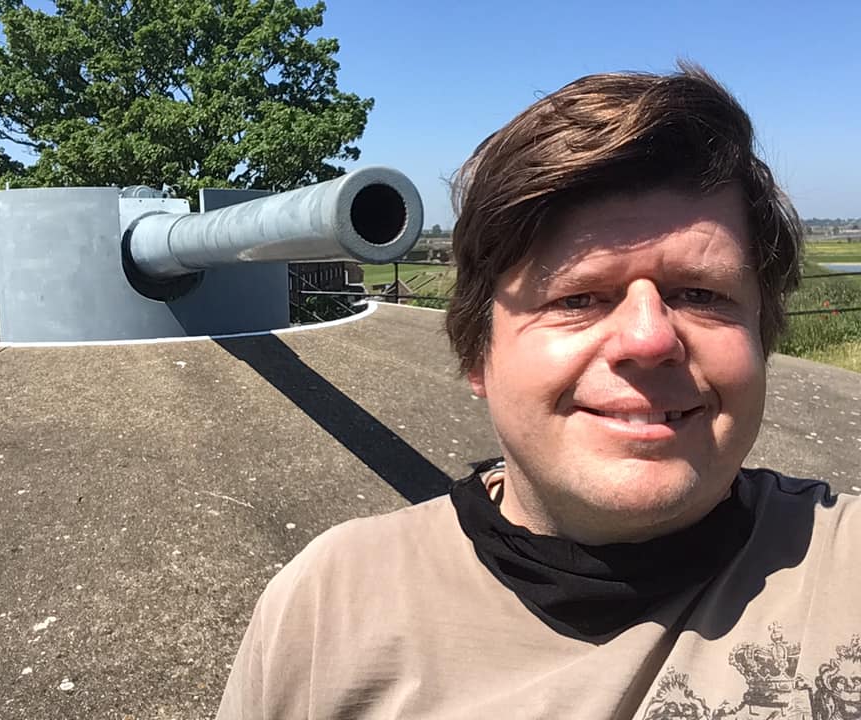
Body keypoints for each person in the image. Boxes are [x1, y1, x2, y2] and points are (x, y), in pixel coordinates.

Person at [217, 63, 860, 720]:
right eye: (578, 297)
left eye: (700, 294)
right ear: (477, 354)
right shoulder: (329, 608)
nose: (648, 338)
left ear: (761, 334)